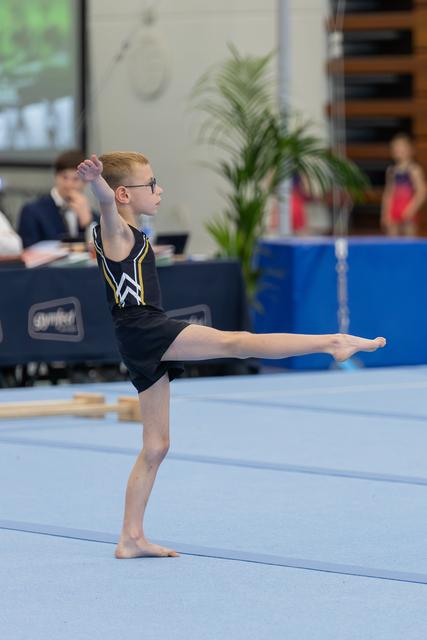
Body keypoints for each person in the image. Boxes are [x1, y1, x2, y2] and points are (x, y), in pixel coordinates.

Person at [77, 151, 386, 560]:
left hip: (136, 335)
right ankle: (331, 342)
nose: (160, 189)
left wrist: (103, 186)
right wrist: (97, 182)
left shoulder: (131, 232)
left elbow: (109, 203)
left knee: (156, 445)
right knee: (236, 342)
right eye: (151, 184)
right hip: (144, 329)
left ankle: (130, 537)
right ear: (123, 194)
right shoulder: (115, 232)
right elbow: (103, 202)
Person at [18, 149, 98, 248]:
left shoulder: (93, 216)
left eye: (75, 179)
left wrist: (88, 223)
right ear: (56, 177)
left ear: (85, 182)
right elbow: (28, 249)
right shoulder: (32, 211)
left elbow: (101, 251)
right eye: (64, 177)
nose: (69, 185)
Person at [381, 133, 427, 237]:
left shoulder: (414, 169)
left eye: (402, 147)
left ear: (410, 150)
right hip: (394, 209)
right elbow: (388, 193)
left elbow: (422, 192)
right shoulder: (391, 171)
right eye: (396, 147)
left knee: (409, 242)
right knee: (392, 243)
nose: (398, 150)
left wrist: (411, 209)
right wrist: (385, 213)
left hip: (408, 208)